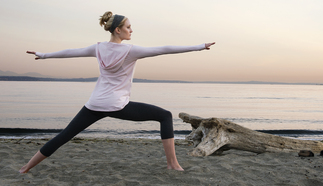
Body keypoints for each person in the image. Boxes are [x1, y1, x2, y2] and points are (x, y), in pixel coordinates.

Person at [20, 11, 215, 173]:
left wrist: (43, 55)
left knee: (64, 136)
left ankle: (26, 168)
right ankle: (172, 164)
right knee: (164, 116)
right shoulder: (130, 51)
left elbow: (71, 52)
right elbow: (164, 49)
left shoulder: (98, 48)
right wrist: (198, 47)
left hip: (94, 104)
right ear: (117, 30)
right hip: (116, 105)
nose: (131, 30)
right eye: (128, 27)